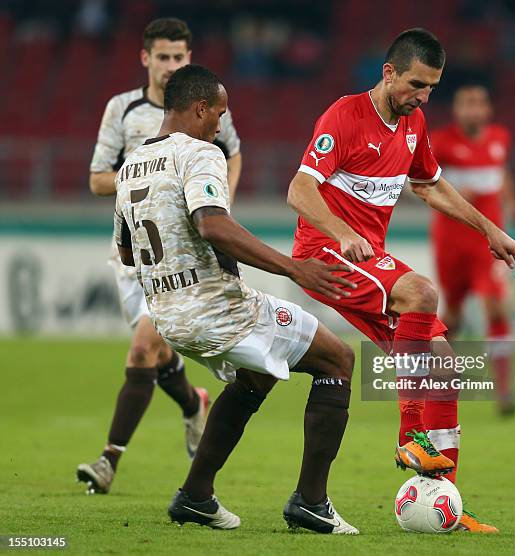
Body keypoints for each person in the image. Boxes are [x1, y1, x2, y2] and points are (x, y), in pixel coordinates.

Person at [288, 28, 515, 533]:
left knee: (445, 365)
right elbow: (300, 190)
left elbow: (430, 185)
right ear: (388, 71)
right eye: (417, 84)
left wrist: (489, 228)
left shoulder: (414, 123)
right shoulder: (344, 117)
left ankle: (447, 504)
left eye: (432, 88)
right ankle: (409, 435)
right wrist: (341, 230)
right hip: (326, 253)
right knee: (422, 292)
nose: (423, 97)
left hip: (369, 257)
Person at [114, 64, 360, 534]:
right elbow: (212, 223)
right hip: (217, 309)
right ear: (200, 106)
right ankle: (311, 503)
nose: (222, 124)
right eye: (220, 113)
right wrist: (294, 267)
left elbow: (128, 251)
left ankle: (196, 496)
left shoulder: (131, 166)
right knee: (338, 358)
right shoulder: (201, 152)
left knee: (257, 375)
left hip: (167, 317)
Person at [78, 18, 242, 495]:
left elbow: (230, 153)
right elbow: (95, 179)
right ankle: (193, 404)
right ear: (145, 58)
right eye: (163, 57)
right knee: (158, 351)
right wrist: (149, 176)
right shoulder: (123, 109)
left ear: (188, 59)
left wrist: (217, 203)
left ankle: (108, 459)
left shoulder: (204, 104)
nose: (172, 65)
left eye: (179, 57)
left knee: (144, 349)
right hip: (133, 254)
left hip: (182, 255)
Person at [430, 84, 515, 416]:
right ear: (456, 110)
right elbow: (422, 183)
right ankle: (439, 383)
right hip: (450, 243)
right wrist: (456, 193)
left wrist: (513, 203)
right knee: (452, 316)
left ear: (487, 110)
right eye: (466, 103)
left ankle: (504, 392)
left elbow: (501, 172)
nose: (473, 109)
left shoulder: (499, 137)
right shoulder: (440, 143)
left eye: (479, 103)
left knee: (496, 308)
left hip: (488, 244)